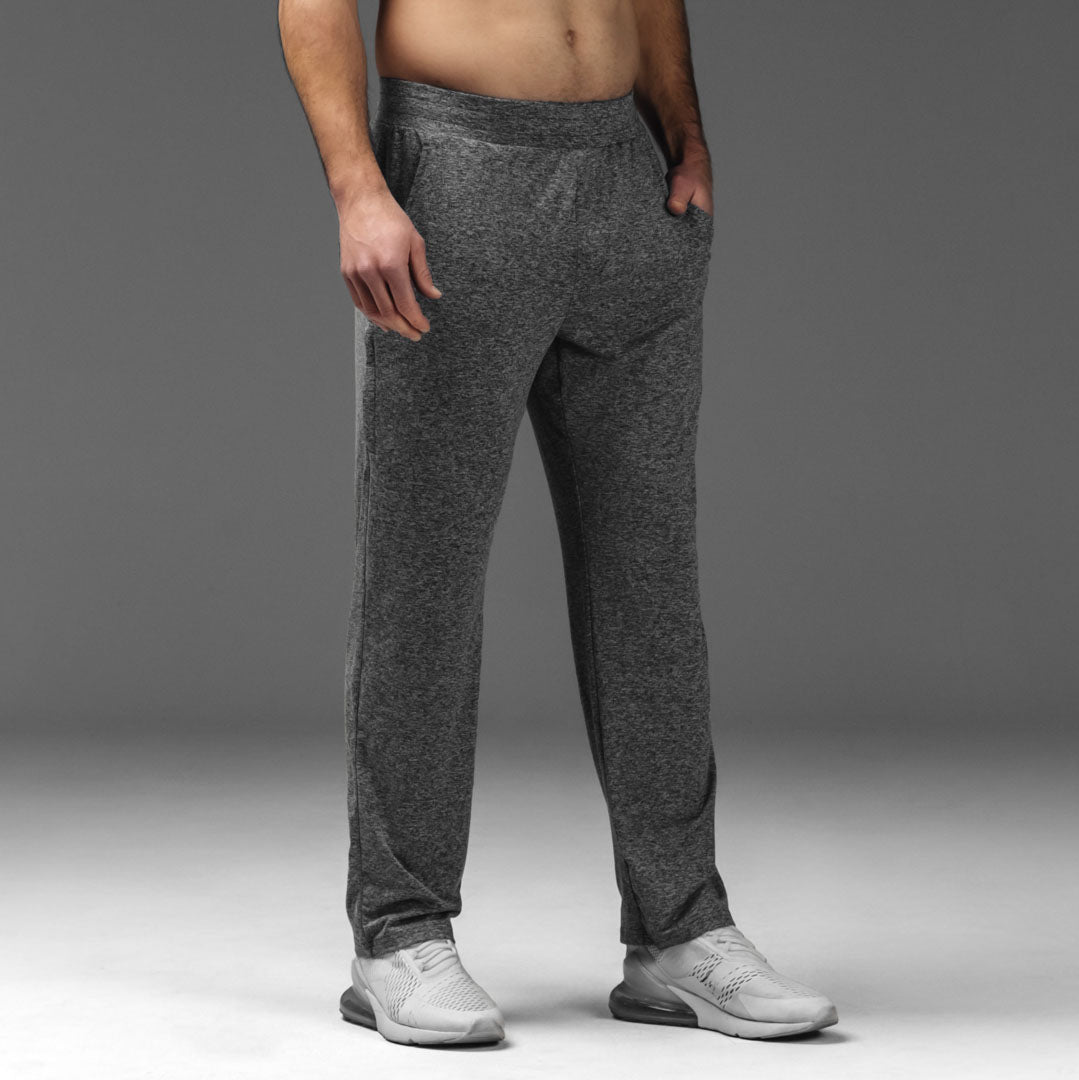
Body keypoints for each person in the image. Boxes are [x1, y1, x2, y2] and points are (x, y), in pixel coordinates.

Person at [278, 0, 838, 1047]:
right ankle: (399, 931)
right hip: (458, 168)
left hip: (627, 179)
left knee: (651, 585)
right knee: (425, 578)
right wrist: (359, 189)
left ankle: (679, 928)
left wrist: (685, 135)